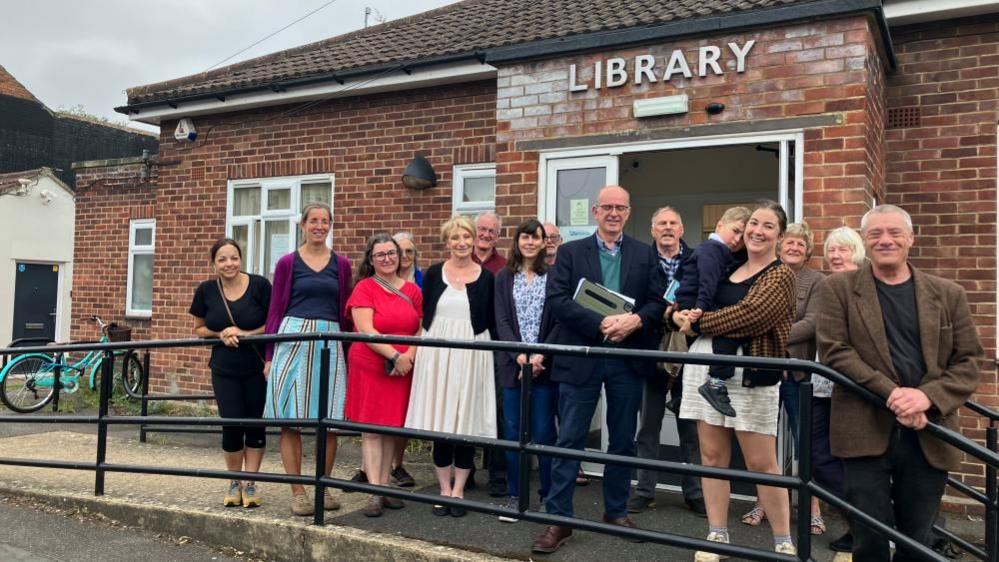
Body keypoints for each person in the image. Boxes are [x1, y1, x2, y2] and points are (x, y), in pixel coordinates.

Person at [817, 205, 983, 561]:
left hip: (929, 430)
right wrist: (895, 395)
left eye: (894, 232)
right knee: (869, 538)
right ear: (865, 241)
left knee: (918, 539)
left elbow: (969, 361)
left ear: (911, 238)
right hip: (863, 429)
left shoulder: (948, 293)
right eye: (875, 234)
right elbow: (834, 351)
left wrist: (926, 398)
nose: (885, 240)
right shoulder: (838, 289)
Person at [532, 185, 666, 554]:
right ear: (595, 211)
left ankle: (616, 511)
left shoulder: (644, 253)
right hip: (584, 356)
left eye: (619, 207)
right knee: (570, 439)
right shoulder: (572, 253)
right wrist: (602, 323)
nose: (613, 213)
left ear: (628, 212)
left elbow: (658, 302)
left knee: (622, 440)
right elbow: (556, 300)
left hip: (627, 358)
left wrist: (635, 321)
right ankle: (560, 520)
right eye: (606, 207)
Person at [673, 200, 797, 558]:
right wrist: (678, 313)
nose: (757, 231)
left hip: (751, 376)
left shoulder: (780, 275)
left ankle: (782, 541)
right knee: (711, 457)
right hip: (706, 370)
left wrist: (696, 322)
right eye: (752, 224)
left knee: (761, 462)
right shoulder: (728, 265)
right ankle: (717, 536)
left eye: (768, 226)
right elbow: (692, 296)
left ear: (779, 234)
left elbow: (752, 316)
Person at [263, 202, 353, 516]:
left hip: (330, 340)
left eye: (324, 221)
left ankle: (323, 484)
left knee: (329, 422)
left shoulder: (341, 264)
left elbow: (345, 311)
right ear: (302, 225)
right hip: (292, 337)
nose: (319, 226)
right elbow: (275, 310)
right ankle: (298, 491)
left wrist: (348, 351)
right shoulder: (288, 263)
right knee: (291, 419)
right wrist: (270, 355)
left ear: (330, 226)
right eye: (313, 220)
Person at [405, 215, 497, 517]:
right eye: (455, 238)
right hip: (438, 354)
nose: (461, 243)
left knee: (465, 422)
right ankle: (444, 489)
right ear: (447, 242)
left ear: (473, 240)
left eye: (466, 237)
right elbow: (423, 318)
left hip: (471, 353)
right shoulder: (432, 274)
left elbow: (491, 321)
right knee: (441, 423)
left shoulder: (486, 278)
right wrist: (415, 351)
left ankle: (459, 491)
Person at [740, 222, 825, 532]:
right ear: (780, 246)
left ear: (807, 251)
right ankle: (763, 502)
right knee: (763, 441)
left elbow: (813, 322)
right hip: (765, 369)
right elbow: (751, 316)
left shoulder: (817, 281)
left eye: (800, 245)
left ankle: (813, 505)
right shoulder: (765, 275)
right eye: (789, 243)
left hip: (797, 372)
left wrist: (778, 343)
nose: (793, 248)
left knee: (805, 443)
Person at [629, 206, 705, 517]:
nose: (668, 228)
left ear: (682, 229)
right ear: (652, 229)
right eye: (662, 223)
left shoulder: (697, 260)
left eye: (674, 222)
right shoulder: (640, 260)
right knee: (648, 426)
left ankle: (695, 493)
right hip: (651, 351)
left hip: (688, 352)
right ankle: (645, 490)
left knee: (690, 427)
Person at [345, 233, 423, 517]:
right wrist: (393, 355)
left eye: (392, 253)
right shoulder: (365, 288)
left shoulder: (413, 290)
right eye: (381, 255)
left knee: (391, 428)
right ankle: (375, 492)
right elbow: (366, 329)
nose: (388, 259)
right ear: (371, 259)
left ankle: (386, 486)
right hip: (373, 362)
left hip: (403, 366)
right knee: (372, 431)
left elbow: (419, 327)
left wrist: (409, 357)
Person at [190, 238, 271, 508]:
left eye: (234, 258)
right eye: (222, 259)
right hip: (224, 369)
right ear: (214, 264)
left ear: (241, 259)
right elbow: (199, 328)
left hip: (257, 368)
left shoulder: (260, 286)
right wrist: (220, 332)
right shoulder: (206, 291)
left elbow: (274, 324)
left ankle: (250, 483)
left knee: (255, 424)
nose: (229, 264)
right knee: (231, 425)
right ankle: (234, 480)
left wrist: (245, 333)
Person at [494, 219, 557, 522]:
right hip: (513, 367)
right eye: (526, 237)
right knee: (513, 432)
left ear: (545, 242)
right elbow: (501, 320)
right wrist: (520, 356)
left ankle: (547, 496)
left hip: (545, 367)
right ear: (517, 241)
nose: (530, 242)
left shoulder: (555, 276)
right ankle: (515, 496)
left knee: (545, 433)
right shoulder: (504, 277)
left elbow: (558, 320)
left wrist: (539, 357)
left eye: (537, 237)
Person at [809, 226, 865, 553]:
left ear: (856, 252)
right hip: (820, 385)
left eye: (843, 249)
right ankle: (863, 522)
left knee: (855, 462)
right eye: (831, 250)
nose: (835, 255)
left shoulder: (864, 286)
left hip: (852, 387)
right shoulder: (827, 284)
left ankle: (864, 526)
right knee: (820, 458)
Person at [673, 206, 751, 418]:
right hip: (697, 302)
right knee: (729, 331)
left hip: (691, 300)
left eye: (743, 237)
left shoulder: (715, 250)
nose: (737, 240)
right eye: (735, 231)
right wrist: (700, 308)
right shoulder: (713, 250)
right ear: (719, 225)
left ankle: (679, 396)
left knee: (692, 350)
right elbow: (708, 282)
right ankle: (715, 384)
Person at [472, 210, 508, 495]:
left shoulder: (504, 267)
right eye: (481, 229)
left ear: (498, 236)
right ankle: (466, 471)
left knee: (498, 412)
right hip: (466, 347)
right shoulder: (459, 263)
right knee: (465, 409)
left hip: (496, 348)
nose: (485, 235)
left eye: (491, 231)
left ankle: (498, 476)